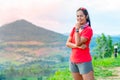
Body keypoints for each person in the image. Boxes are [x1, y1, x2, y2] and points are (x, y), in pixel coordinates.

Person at [66, 7, 94, 80]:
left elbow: (78, 42)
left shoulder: (88, 30)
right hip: (73, 61)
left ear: (86, 16)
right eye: (77, 16)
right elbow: (67, 43)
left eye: (81, 16)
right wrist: (77, 47)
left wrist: (77, 29)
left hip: (84, 61)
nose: (79, 18)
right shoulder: (74, 29)